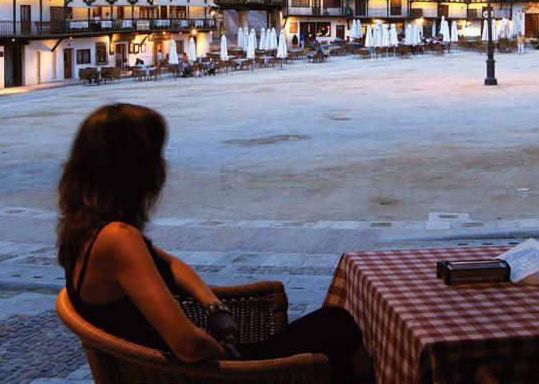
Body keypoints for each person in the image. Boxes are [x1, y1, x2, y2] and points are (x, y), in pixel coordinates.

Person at [58, 105, 373, 381]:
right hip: (201, 375)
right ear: (133, 169)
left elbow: (173, 266)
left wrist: (213, 306)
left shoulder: (86, 227)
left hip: (176, 368)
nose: (162, 166)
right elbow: (188, 345)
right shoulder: (118, 239)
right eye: (155, 156)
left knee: (332, 330)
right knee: (337, 324)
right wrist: (225, 352)